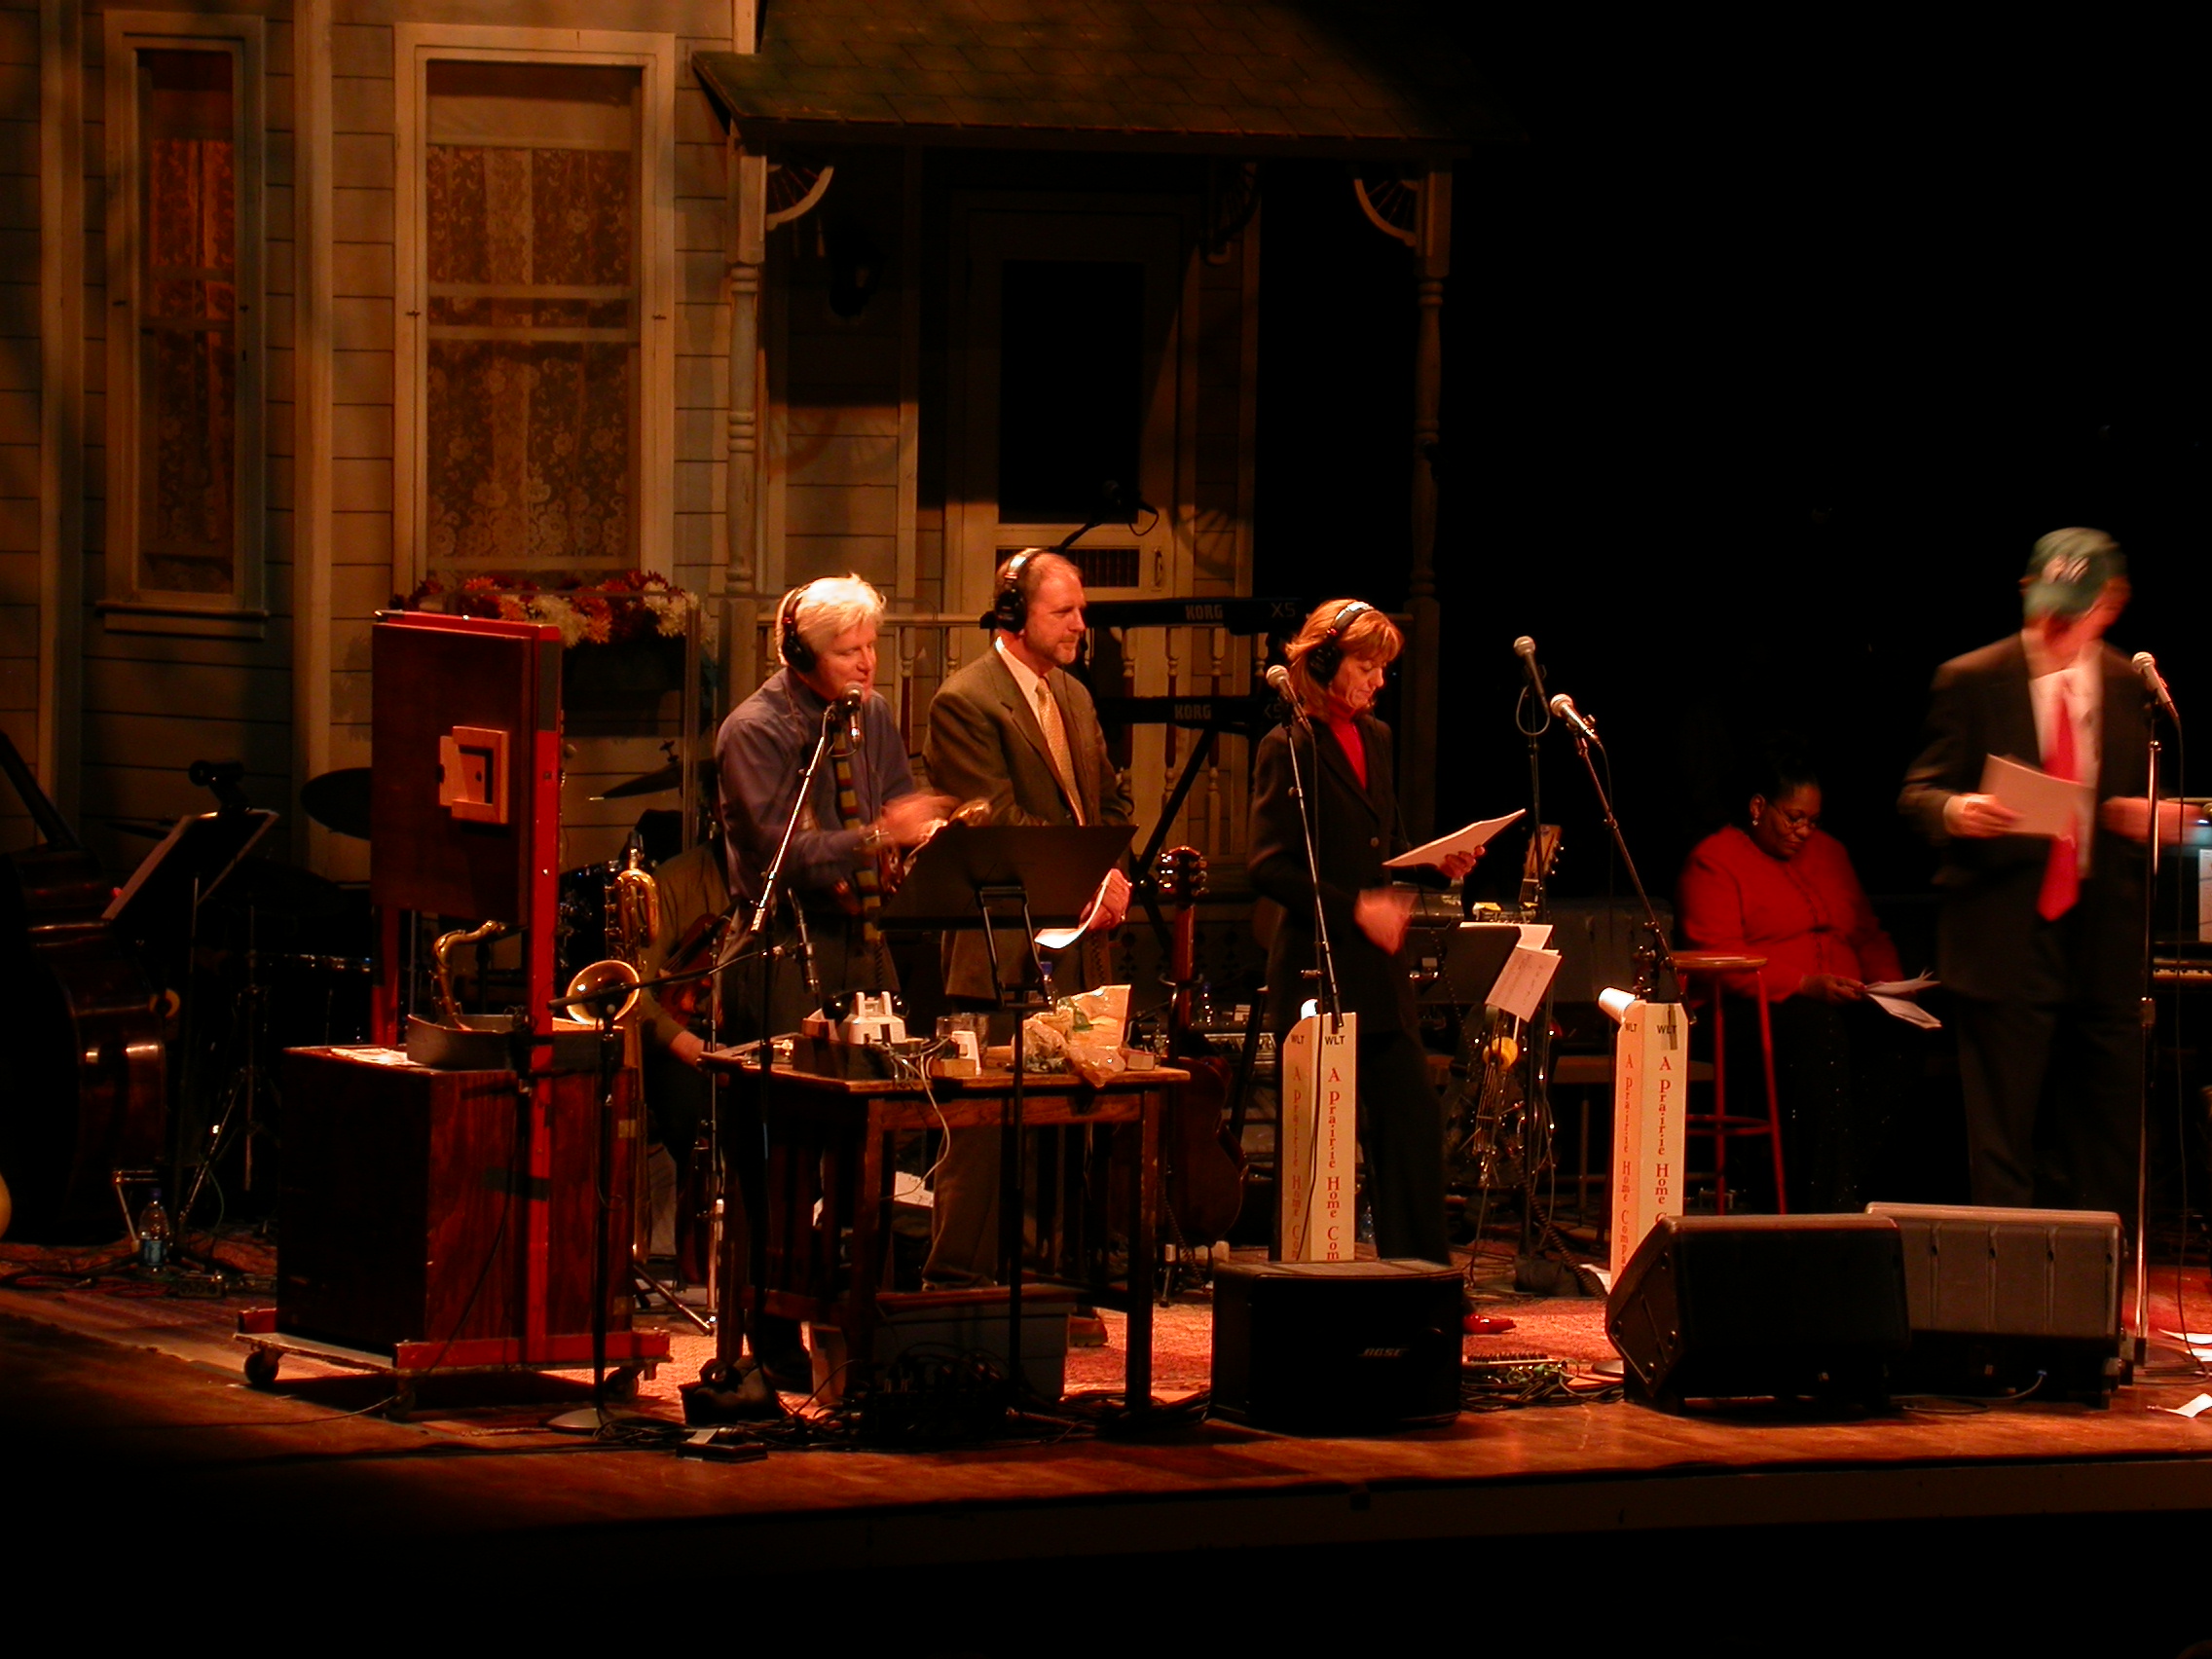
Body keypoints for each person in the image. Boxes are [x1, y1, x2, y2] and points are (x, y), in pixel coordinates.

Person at [711, 574, 947, 1387]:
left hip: (862, 942)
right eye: (848, 651)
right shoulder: (753, 730)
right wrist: (879, 834)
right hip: (781, 950)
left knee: (877, 1137)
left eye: (871, 646)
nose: (867, 664)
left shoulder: (871, 715)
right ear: (799, 652)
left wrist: (920, 836)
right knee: (780, 1156)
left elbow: (899, 801)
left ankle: (863, 1315)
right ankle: (769, 1328)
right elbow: (784, 852)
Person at [1899, 528, 2164, 1223]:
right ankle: (2007, 1277)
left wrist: (2157, 818)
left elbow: (2151, 801)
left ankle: (2103, 1275)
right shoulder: (1973, 678)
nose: (2056, 625)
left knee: (2108, 1131)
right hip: (2007, 935)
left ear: (2111, 604)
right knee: (2003, 1135)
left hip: (2102, 938)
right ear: (2027, 592)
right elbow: (1918, 793)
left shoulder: (2128, 684)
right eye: (2048, 607)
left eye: (2076, 611)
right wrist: (1960, 810)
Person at [920, 549, 1135, 1287]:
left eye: (1081, 611)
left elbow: (1110, 802)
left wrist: (1112, 874)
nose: (1080, 625)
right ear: (1014, 615)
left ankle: (1053, 1286)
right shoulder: (965, 700)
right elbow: (995, 823)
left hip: (1079, 944)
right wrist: (1087, 876)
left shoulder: (1073, 694)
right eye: (1063, 611)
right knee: (983, 1134)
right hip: (1001, 947)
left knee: (1068, 1126)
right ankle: (956, 1282)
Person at [1246, 599, 1478, 1265]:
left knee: (1413, 1128)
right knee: (1315, 1142)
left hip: (1378, 973)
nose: (1378, 681)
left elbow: (1386, 843)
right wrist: (1356, 909)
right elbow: (1269, 866)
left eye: (1383, 669)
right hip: (1317, 969)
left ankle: (1425, 1280)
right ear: (1323, 662)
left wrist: (1435, 864)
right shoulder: (1287, 746)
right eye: (1366, 666)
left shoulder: (1374, 735)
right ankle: (1303, 1276)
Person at [1677, 739, 1910, 1210]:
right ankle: (1827, 1203)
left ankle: (1847, 1186)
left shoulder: (1831, 853)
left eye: (1813, 821)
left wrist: (1891, 987)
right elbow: (1719, 954)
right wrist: (1803, 984)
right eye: (1794, 818)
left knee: (1896, 1032)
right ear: (1758, 807)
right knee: (1817, 1030)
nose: (1804, 831)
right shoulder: (1715, 859)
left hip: (1836, 1002)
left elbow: (1866, 933)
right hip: (1744, 1010)